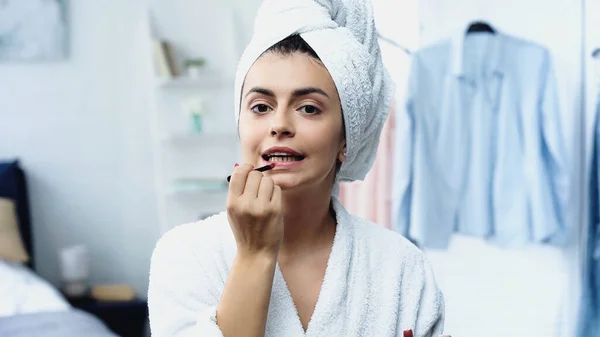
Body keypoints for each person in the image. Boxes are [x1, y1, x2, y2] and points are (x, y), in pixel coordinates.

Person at [148, 1, 448, 336]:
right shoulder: (185, 255)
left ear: (347, 138)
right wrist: (254, 253)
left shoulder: (401, 267)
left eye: (308, 108)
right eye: (260, 107)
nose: (279, 125)